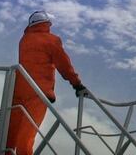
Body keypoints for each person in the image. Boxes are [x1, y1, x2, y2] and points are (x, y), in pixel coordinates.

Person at [6, 10, 86, 155]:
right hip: (38, 92)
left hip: (18, 89)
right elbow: (64, 65)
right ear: (47, 24)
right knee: (27, 135)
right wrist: (76, 84)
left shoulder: (24, 40)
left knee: (11, 133)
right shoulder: (51, 40)